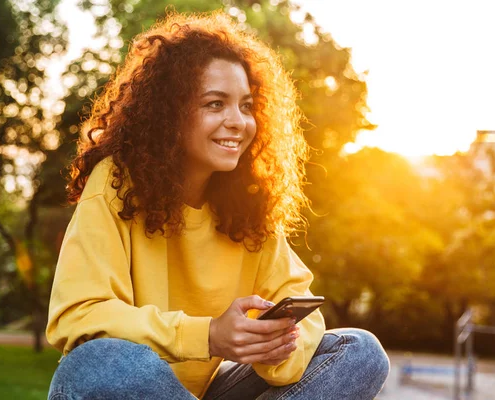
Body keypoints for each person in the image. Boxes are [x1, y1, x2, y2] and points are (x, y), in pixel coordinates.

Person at [46, 10, 389, 400]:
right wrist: (207, 335)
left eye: (246, 106)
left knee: (359, 352)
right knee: (100, 361)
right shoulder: (116, 182)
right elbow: (77, 316)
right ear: (169, 115)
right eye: (215, 104)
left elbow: (300, 305)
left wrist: (275, 346)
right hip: (125, 386)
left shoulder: (249, 204)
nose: (238, 121)